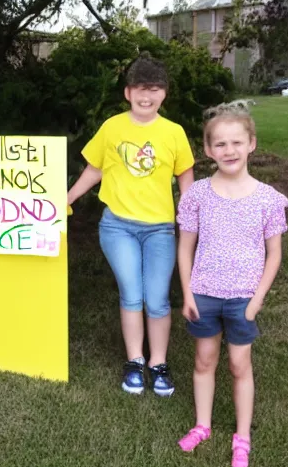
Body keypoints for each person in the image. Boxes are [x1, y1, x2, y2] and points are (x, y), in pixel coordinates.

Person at [68, 55, 195, 396]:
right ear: (127, 92)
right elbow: (95, 169)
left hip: (160, 230)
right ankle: (135, 361)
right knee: (132, 294)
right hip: (117, 227)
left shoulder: (173, 133)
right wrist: (67, 198)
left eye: (155, 89)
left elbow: (185, 174)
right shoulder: (112, 127)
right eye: (140, 88)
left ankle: (159, 363)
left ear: (164, 94)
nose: (147, 96)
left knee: (157, 299)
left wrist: (191, 213)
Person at [175, 100, 288, 467]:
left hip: (244, 298)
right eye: (220, 144)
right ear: (208, 150)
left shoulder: (267, 199)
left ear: (251, 143)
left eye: (236, 142)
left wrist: (255, 302)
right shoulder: (197, 195)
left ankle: (242, 436)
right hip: (204, 293)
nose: (229, 151)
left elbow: (274, 255)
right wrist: (188, 292)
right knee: (204, 360)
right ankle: (203, 425)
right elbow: (186, 246)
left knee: (240, 365)